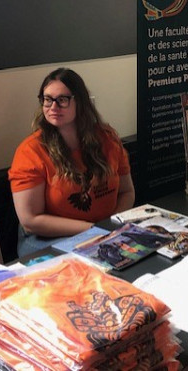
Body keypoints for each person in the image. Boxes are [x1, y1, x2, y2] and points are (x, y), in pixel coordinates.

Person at [9, 67, 135, 257]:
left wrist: (113, 227)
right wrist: (93, 230)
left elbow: (127, 192)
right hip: (49, 239)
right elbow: (30, 220)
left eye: (62, 100)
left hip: (104, 231)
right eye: (47, 99)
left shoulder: (107, 138)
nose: (53, 107)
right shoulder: (30, 151)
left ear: (80, 102)